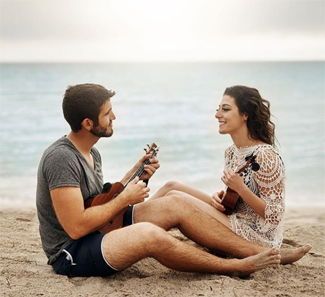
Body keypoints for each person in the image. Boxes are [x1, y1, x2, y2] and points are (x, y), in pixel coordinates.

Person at [36, 83, 310, 278]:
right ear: (87, 123)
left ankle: (264, 252)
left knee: (175, 202)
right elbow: (75, 227)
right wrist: (125, 199)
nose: (114, 117)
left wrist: (135, 173)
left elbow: (96, 202)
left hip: (97, 232)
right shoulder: (61, 158)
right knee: (150, 236)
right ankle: (236, 266)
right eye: (108, 113)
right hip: (72, 252)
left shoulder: (91, 152)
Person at [150, 85, 286, 249]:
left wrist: (241, 188)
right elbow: (236, 202)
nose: (217, 115)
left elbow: (274, 216)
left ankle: (136, 233)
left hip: (256, 235)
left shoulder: (266, 156)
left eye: (226, 109)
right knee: (171, 186)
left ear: (245, 115)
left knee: (174, 196)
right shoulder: (231, 152)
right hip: (233, 218)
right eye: (218, 109)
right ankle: (126, 223)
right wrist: (220, 198)